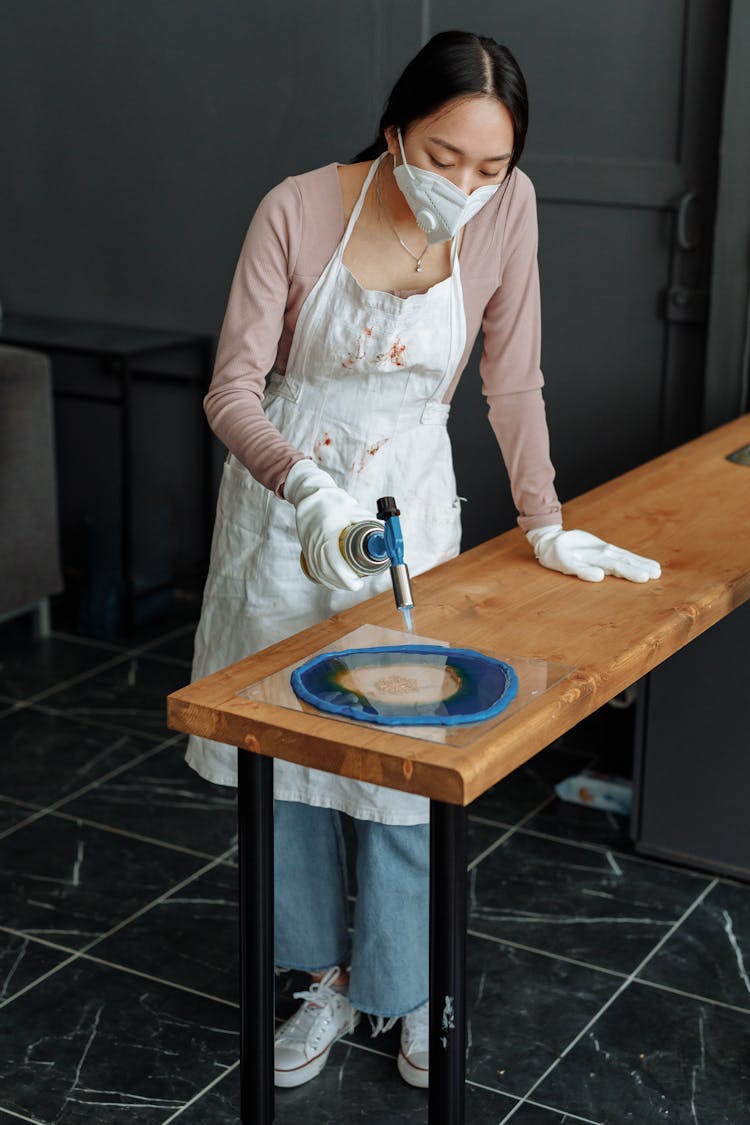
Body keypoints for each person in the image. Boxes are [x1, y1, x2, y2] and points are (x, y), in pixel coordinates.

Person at [185, 29, 661, 1091]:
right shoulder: (298, 208)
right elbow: (231, 389)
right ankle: (325, 977)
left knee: (409, 766)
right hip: (286, 509)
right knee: (293, 763)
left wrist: (545, 519)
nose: (469, 186)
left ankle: (408, 986)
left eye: (491, 167)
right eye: (445, 159)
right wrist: (303, 485)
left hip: (409, 510)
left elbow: (514, 381)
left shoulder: (509, 212)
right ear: (397, 131)